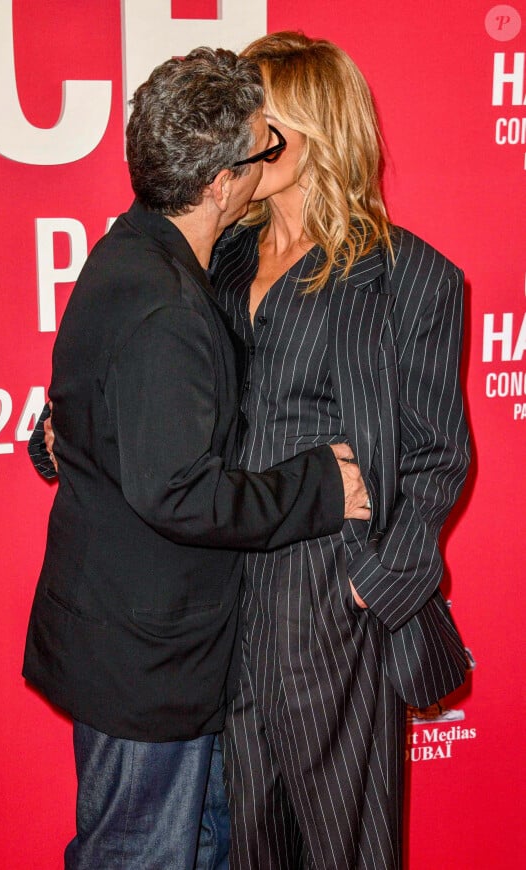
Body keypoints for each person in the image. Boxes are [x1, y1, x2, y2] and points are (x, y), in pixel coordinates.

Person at [22, 46, 371, 870]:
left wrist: (66, 433)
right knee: (142, 855)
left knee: (197, 847)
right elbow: (179, 493)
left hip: (153, 648)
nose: (274, 155)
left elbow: (112, 400)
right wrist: (324, 484)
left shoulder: (137, 248)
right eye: (264, 146)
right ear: (222, 183)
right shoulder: (169, 302)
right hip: (146, 663)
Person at [209, 32, 470, 870]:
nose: (243, 134)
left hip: (330, 588)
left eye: (262, 115)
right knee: (251, 837)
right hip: (222, 589)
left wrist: (372, 586)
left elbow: (438, 454)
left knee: (344, 845)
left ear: (313, 125)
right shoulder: (219, 259)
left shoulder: (410, 275)